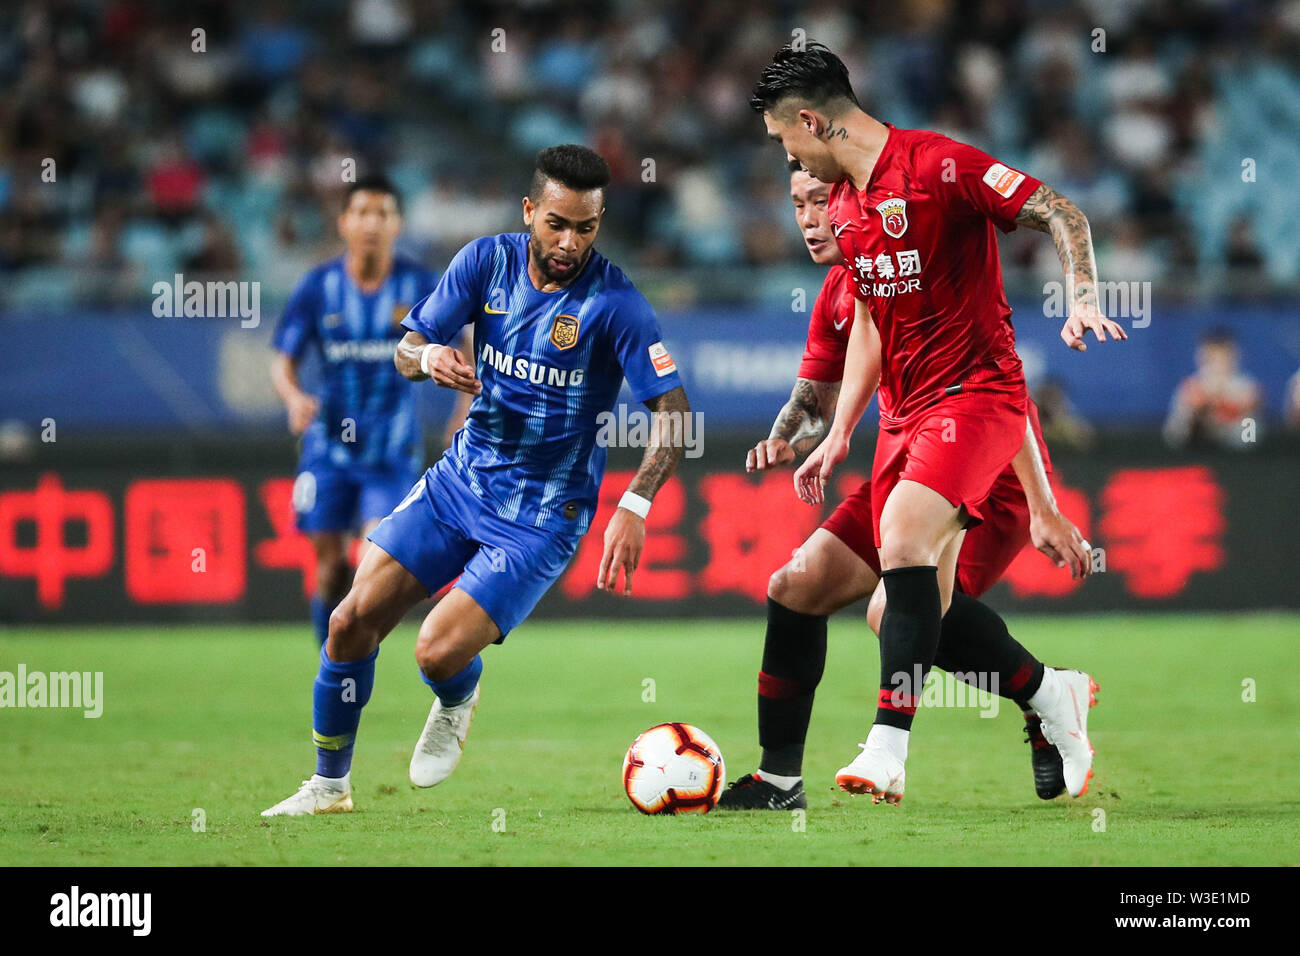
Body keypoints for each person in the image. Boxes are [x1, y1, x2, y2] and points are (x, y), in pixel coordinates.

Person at [263, 145, 691, 816]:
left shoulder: (617, 305)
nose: (569, 241)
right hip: (460, 481)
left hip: (542, 517)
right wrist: (429, 354)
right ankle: (328, 786)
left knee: (433, 653)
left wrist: (635, 503)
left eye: (585, 227)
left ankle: (458, 692)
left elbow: (675, 413)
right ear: (529, 211)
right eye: (556, 223)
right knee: (348, 622)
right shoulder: (483, 262)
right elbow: (407, 350)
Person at [752, 42, 1126, 804]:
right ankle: (779, 779)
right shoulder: (852, 209)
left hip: (979, 400)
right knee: (799, 583)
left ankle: (888, 749)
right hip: (907, 425)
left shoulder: (938, 167)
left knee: (902, 555)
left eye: (782, 138)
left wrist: (1082, 294)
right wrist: (839, 432)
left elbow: (1059, 209)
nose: (783, 156)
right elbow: (870, 327)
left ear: (813, 122)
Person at [271, 175, 469, 648]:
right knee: (329, 567)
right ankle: (330, 659)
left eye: (383, 214)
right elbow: (283, 361)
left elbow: (468, 342)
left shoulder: (420, 283)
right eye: (362, 213)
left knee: (372, 559)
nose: (372, 223)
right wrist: (295, 398)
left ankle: (348, 666)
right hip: (327, 450)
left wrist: (465, 406)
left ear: (397, 224)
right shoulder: (318, 287)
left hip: (391, 452)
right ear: (344, 222)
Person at [1162, 327, 1262, 450]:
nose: (1219, 361)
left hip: (1233, 439)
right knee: (1183, 423)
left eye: (1224, 354)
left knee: (1250, 426)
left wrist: (1221, 404)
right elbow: (1176, 429)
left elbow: (1249, 411)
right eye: (1213, 355)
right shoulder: (1193, 384)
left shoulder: (1246, 385)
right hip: (1198, 441)